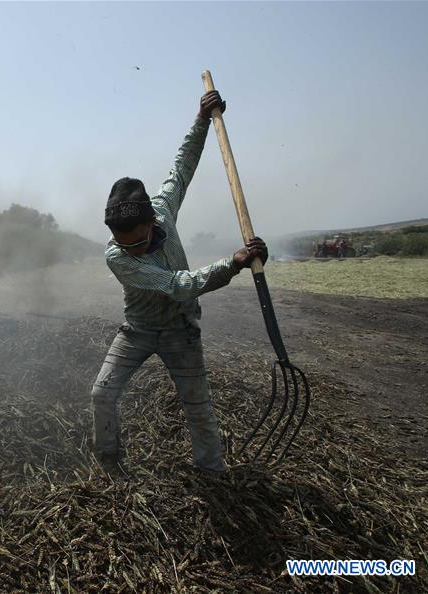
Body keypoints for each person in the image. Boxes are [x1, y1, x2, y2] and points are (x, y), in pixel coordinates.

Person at [91, 90, 268, 474]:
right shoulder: (117, 257)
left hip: (179, 330)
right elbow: (178, 285)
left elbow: (182, 165)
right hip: (137, 330)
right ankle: (108, 458)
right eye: (125, 244)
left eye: (138, 240)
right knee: (102, 392)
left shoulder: (163, 207)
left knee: (198, 406)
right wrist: (232, 264)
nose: (132, 249)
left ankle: (211, 471)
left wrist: (202, 120)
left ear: (152, 222)